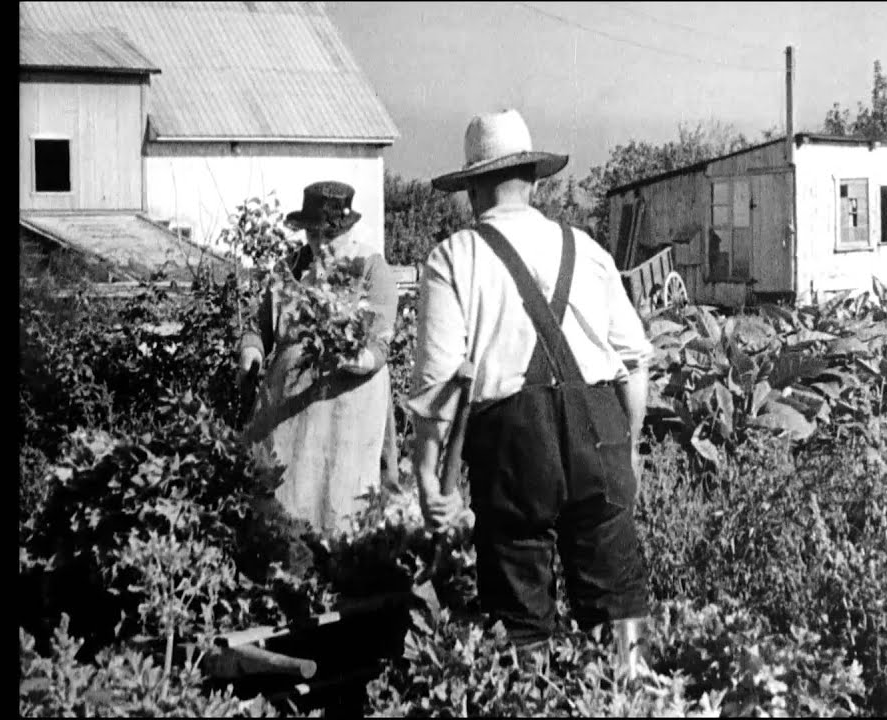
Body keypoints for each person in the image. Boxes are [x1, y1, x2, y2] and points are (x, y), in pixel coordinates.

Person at [408, 109, 655, 675]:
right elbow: (635, 362)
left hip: (514, 449)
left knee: (519, 608)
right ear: (535, 180)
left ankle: (531, 691)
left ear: (471, 188)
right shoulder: (586, 247)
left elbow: (439, 385)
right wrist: (630, 449)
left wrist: (428, 474)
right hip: (601, 432)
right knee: (615, 597)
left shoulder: (453, 257)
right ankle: (629, 695)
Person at [238, 181, 399, 536]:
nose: (321, 246)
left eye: (330, 238)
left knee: (343, 498)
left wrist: (356, 358)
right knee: (286, 496)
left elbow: (380, 342)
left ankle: (346, 566)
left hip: (348, 407)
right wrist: (251, 352)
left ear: (348, 230)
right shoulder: (289, 269)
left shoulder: (371, 268)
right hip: (289, 410)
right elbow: (258, 327)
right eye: (314, 236)